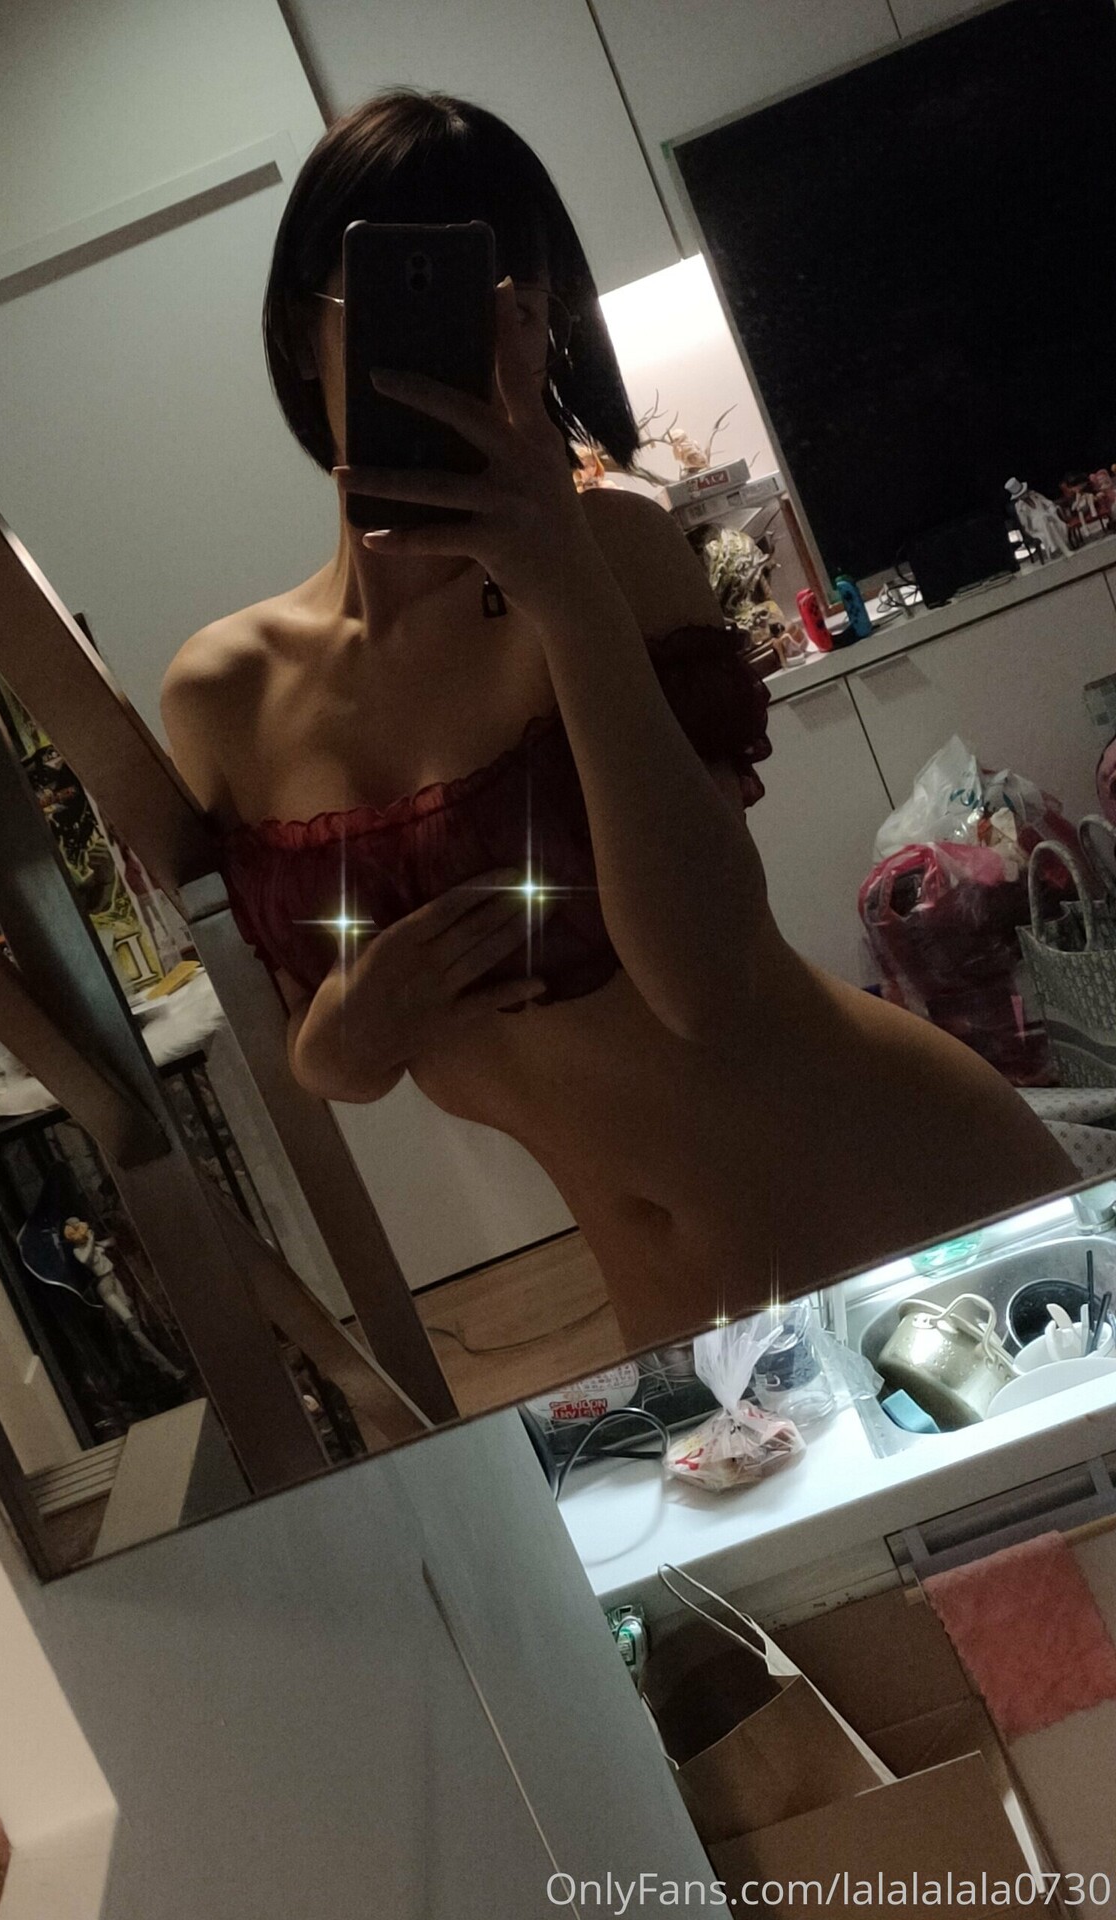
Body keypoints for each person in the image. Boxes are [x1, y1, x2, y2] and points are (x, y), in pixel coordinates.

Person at [160, 90, 1074, 1353]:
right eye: (407, 299)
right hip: (696, 1332)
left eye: (513, 307)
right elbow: (320, 1052)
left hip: (914, 1208)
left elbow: (706, 986)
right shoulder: (224, 694)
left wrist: (563, 589)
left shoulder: (615, 556)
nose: (472, 349)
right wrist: (340, 1045)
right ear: (297, 332)